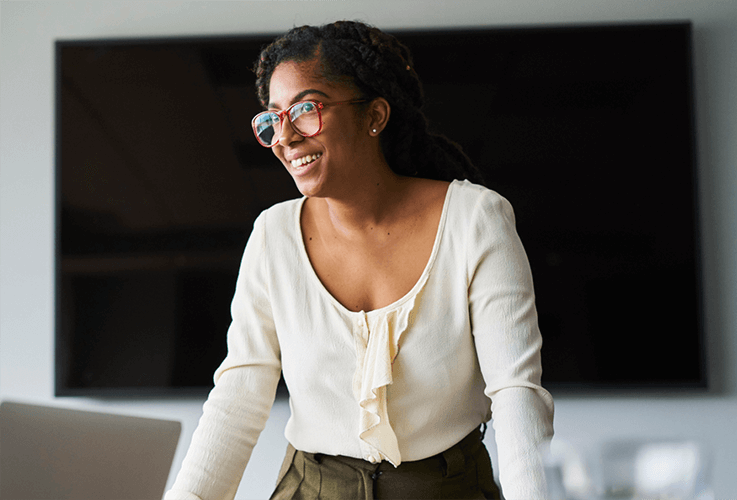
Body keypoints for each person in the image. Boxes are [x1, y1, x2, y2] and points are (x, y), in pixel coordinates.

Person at [165, 20, 554, 500]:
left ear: (374, 116)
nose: (284, 136)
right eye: (272, 119)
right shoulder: (274, 234)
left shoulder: (476, 219)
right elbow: (238, 398)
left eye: (307, 109)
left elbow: (517, 393)